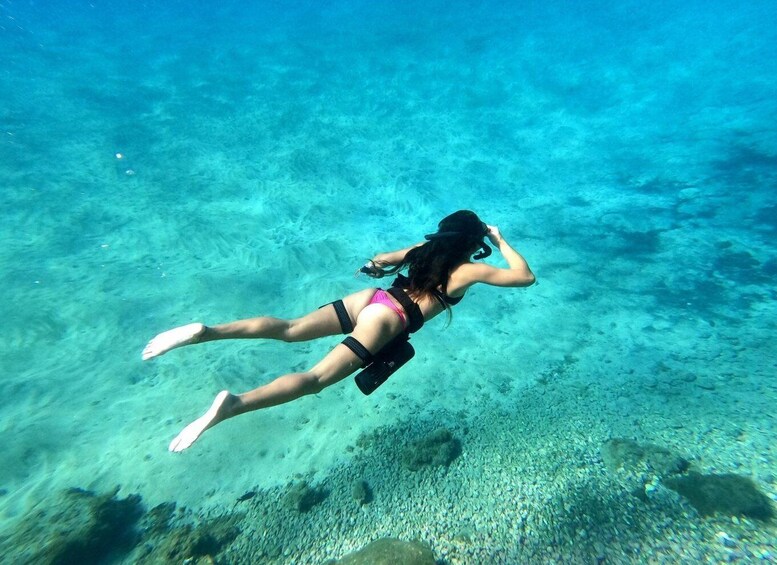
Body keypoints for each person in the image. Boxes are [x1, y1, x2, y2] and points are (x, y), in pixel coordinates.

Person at [142, 210, 535, 452]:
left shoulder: (425, 250)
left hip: (372, 299)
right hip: (389, 321)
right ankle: (233, 406)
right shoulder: (468, 269)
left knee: (290, 327)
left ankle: (206, 331)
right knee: (314, 379)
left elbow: (381, 260)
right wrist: (499, 239)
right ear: (474, 242)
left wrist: (373, 268)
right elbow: (525, 277)